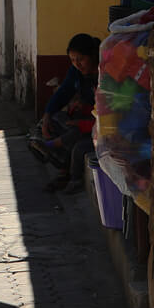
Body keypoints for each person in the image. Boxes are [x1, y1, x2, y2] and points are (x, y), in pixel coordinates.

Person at [28, 33, 101, 193]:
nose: (77, 64)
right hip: (82, 118)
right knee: (52, 122)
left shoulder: (105, 75)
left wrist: (83, 116)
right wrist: (47, 115)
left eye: (81, 59)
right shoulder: (76, 71)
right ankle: (57, 162)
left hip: (97, 124)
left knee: (75, 135)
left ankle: (60, 164)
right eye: (73, 60)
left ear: (93, 55)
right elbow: (63, 92)